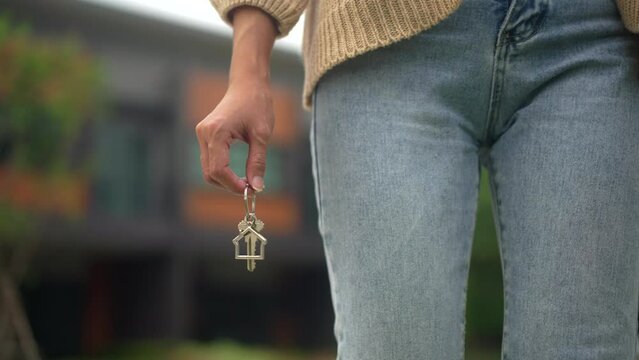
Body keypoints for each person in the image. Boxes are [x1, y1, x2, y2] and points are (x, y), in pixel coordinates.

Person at [195, 0, 639, 358]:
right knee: (396, 345)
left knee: (586, 346)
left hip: (592, 37)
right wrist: (248, 68)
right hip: (382, 37)